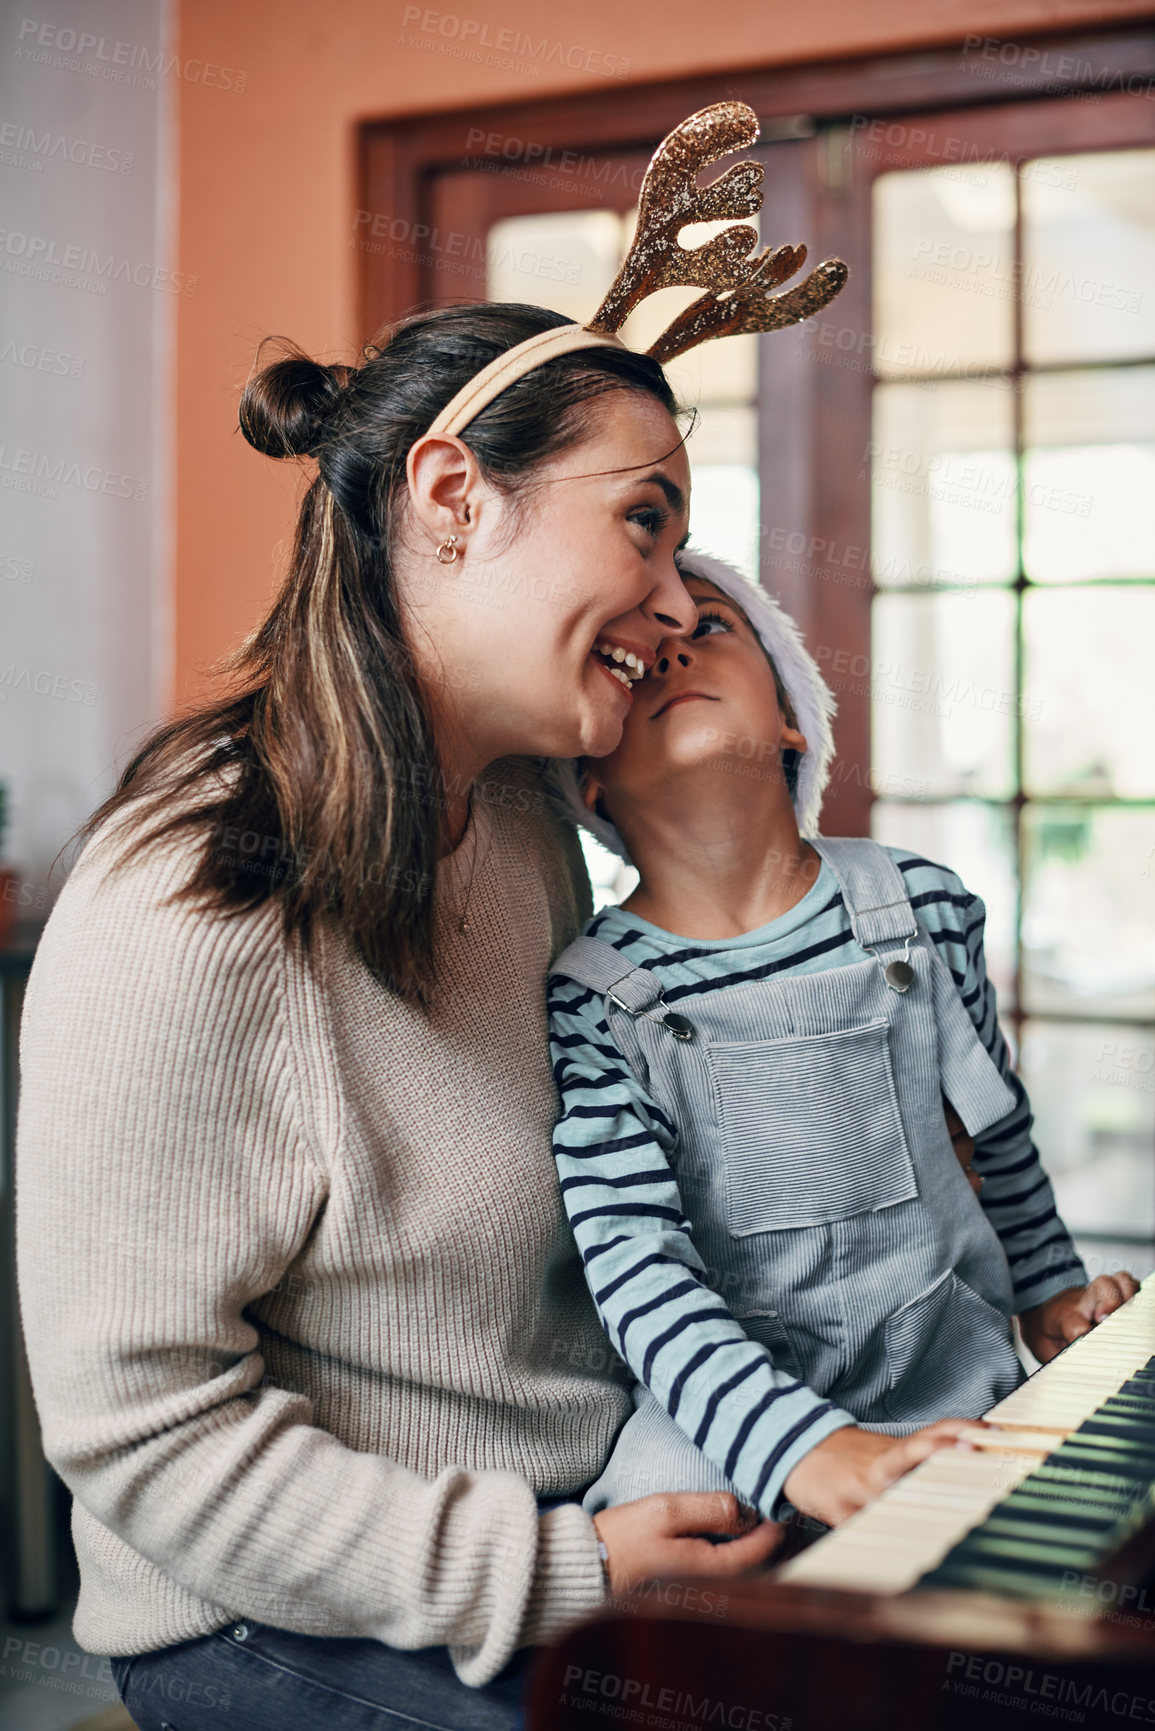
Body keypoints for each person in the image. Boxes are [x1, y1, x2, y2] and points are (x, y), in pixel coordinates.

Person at [14, 307, 784, 1731]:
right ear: (448, 499)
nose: (678, 602)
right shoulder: (188, 902)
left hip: (581, 1508)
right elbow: (145, 1438)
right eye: (643, 522)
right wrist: (551, 1566)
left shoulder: (511, 816)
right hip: (279, 1617)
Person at [546, 549, 1138, 1533]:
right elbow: (632, 1258)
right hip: (728, 1428)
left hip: (950, 1386)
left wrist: (1051, 1296)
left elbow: (998, 1130)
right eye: (639, 659)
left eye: (710, 630)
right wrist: (804, 1450)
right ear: (590, 782)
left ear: (791, 717)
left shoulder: (923, 907)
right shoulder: (595, 998)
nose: (675, 656)